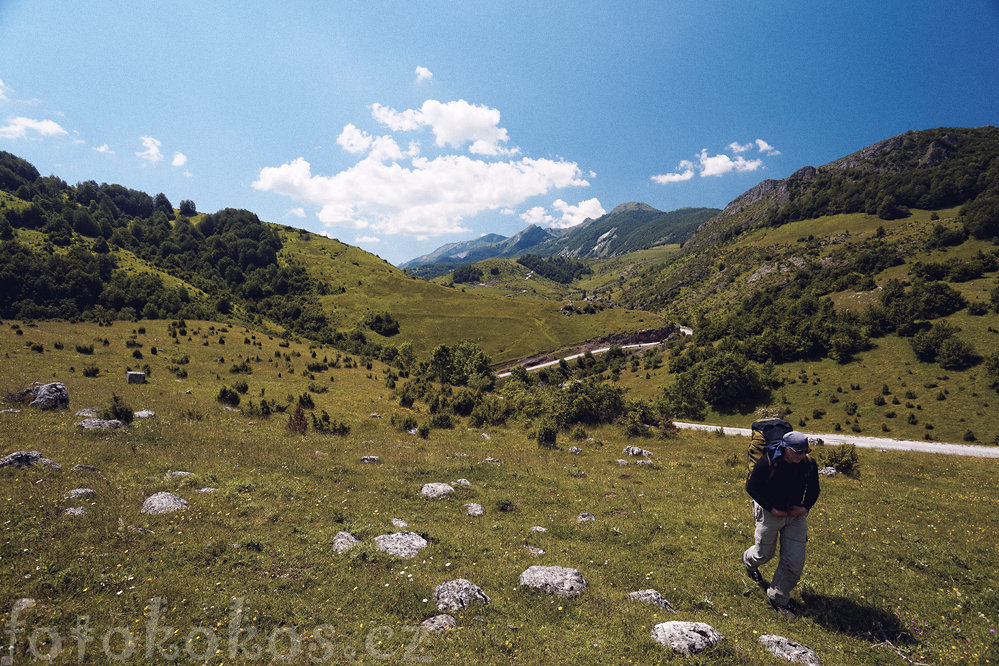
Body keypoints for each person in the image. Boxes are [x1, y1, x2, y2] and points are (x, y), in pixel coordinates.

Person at [742, 430, 820, 619]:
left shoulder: (808, 463)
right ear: (785, 449)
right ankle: (748, 562)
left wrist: (805, 508)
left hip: (795, 516)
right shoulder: (768, 462)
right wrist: (772, 508)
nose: (802, 456)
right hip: (770, 513)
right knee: (764, 554)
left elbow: (814, 489)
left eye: (805, 451)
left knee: (794, 562)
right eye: (797, 452)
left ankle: (778, 597)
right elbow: (751, 487)